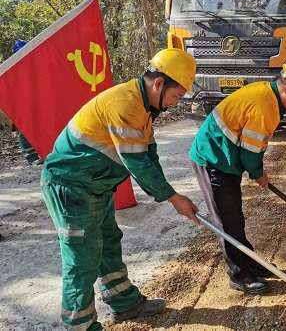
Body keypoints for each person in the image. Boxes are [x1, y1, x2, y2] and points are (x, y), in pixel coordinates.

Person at [41, 48, 201, 330]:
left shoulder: (145, 108)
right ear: (160, 84)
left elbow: (150, 157)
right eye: (177, 96)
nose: (175, 104)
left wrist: (170, 195)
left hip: (94, 186)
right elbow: (137, 164)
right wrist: (174, 198)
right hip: (70, 187)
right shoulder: (125, 104)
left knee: (108, 242)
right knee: (82, 259)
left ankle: (124, 303)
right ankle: (80, 326)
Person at [190, 58, 286, 295]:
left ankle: (249, 261)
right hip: (212, 158)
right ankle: (239, 275)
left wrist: (256, 171)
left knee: (235, 217)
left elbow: (250, 148)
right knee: (227, 220)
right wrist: (258, 173)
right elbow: (251, 155)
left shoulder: (268, 96)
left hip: (226, 158)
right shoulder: (265, 106)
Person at [11, 39, 43, 165]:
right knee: (24, 128)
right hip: (21, 102)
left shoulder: (34, 66)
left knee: (37, 125)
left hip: (34, 100)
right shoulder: (12, 68)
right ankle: (31, 156)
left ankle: (40, 152)